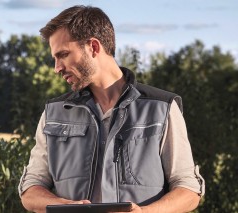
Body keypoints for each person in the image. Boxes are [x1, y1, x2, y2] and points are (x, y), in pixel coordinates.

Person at [18, 5, 205, 212]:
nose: (57, 68)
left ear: (93, 47)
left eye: (63, 55)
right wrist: (67, 207)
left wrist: (145, 212)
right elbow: (30, 189)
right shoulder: (54, 113)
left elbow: (188, 189)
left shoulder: (161, 108)